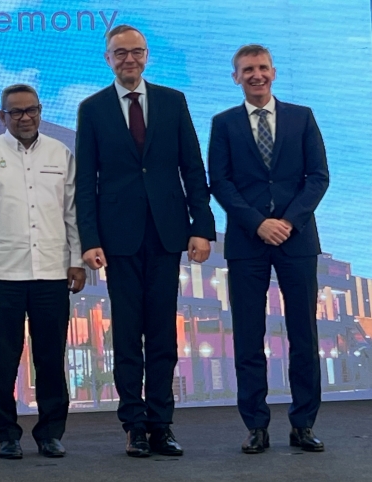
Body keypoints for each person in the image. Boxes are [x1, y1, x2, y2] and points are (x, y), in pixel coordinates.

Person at [75, 25, 215, 458]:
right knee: (126, 334)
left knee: (162, 336)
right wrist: (89, 238)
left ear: (147, 55)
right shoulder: (92, 108)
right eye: (120, 53)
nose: (129, 59)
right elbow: (85, 180)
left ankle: (161, 424)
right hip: (118, 238)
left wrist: (202, 226)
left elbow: (193, 168)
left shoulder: (173, 101)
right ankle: (133, 426)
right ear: (108, 59)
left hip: (167, 233)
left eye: (136, 51)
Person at [208, 45, 329, 454]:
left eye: (262, 68)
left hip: (297, 239)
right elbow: (220, 182)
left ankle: (303, 424)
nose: (256, 75)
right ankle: (256, 426)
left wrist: (288, 222)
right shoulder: (223, 123)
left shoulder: (302, 117)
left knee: (304, 335)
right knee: (248, 336)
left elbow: (318, 176)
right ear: (236, 77)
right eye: (247, 70)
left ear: (273, 72)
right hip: (247, 241)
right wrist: (258, 223)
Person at [0, 83, 85, 461]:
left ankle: (50, 434)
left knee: (51, 358)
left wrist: (76, 260)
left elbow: (73, 213)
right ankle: (5, 436)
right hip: (0, 276)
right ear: (3, 116)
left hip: (52, 272)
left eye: (31, 110)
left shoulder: (60, 153)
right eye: (16, 112)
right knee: (2, 359)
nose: (25, 117)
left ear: (40, 111)